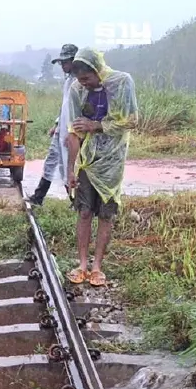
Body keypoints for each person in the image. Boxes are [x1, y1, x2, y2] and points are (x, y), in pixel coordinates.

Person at [64, 48, 138, 287]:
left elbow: (131, 120)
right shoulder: (77, 90)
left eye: (86, 78)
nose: (82, 84)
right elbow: (74, 132)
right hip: (88, 161)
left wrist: (95, 125)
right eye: (79, 79)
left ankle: (97, 267)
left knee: (106, 215)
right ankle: (82, 264)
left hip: (112, 162)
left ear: (97, 70)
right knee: (84, 212)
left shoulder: (121, 82)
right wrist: (70, 170)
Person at [27, 43, 78, 205]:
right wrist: (57, 124)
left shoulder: (80, 82)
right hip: (62, 127)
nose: (62, 65)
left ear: (74, 61)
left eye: (65, 62)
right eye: (61, 63)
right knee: (51, 160)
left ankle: (75, 199)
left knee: (67, 164)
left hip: (72, 130)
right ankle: (38, 197)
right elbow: (65, 106)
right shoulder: (68, 80)